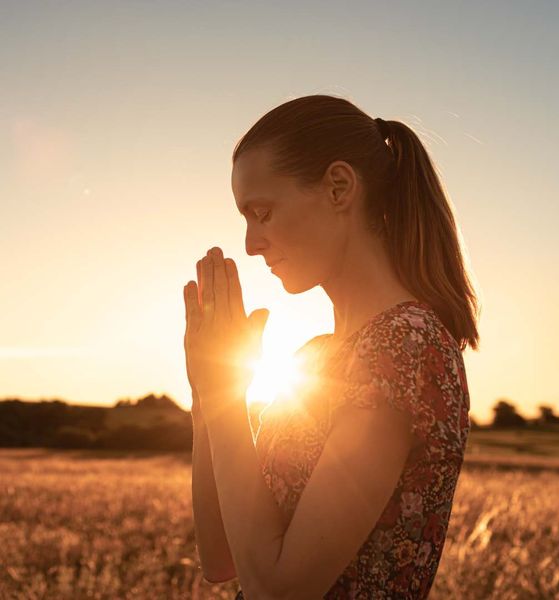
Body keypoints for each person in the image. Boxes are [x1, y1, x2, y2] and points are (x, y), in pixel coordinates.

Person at [183, 94, 479, 599]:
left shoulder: (407, 346)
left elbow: (279, 591)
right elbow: (221, 558)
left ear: (339, 187)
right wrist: (211, 398)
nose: (252, 243)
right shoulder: (317, 357)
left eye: (263, 212)